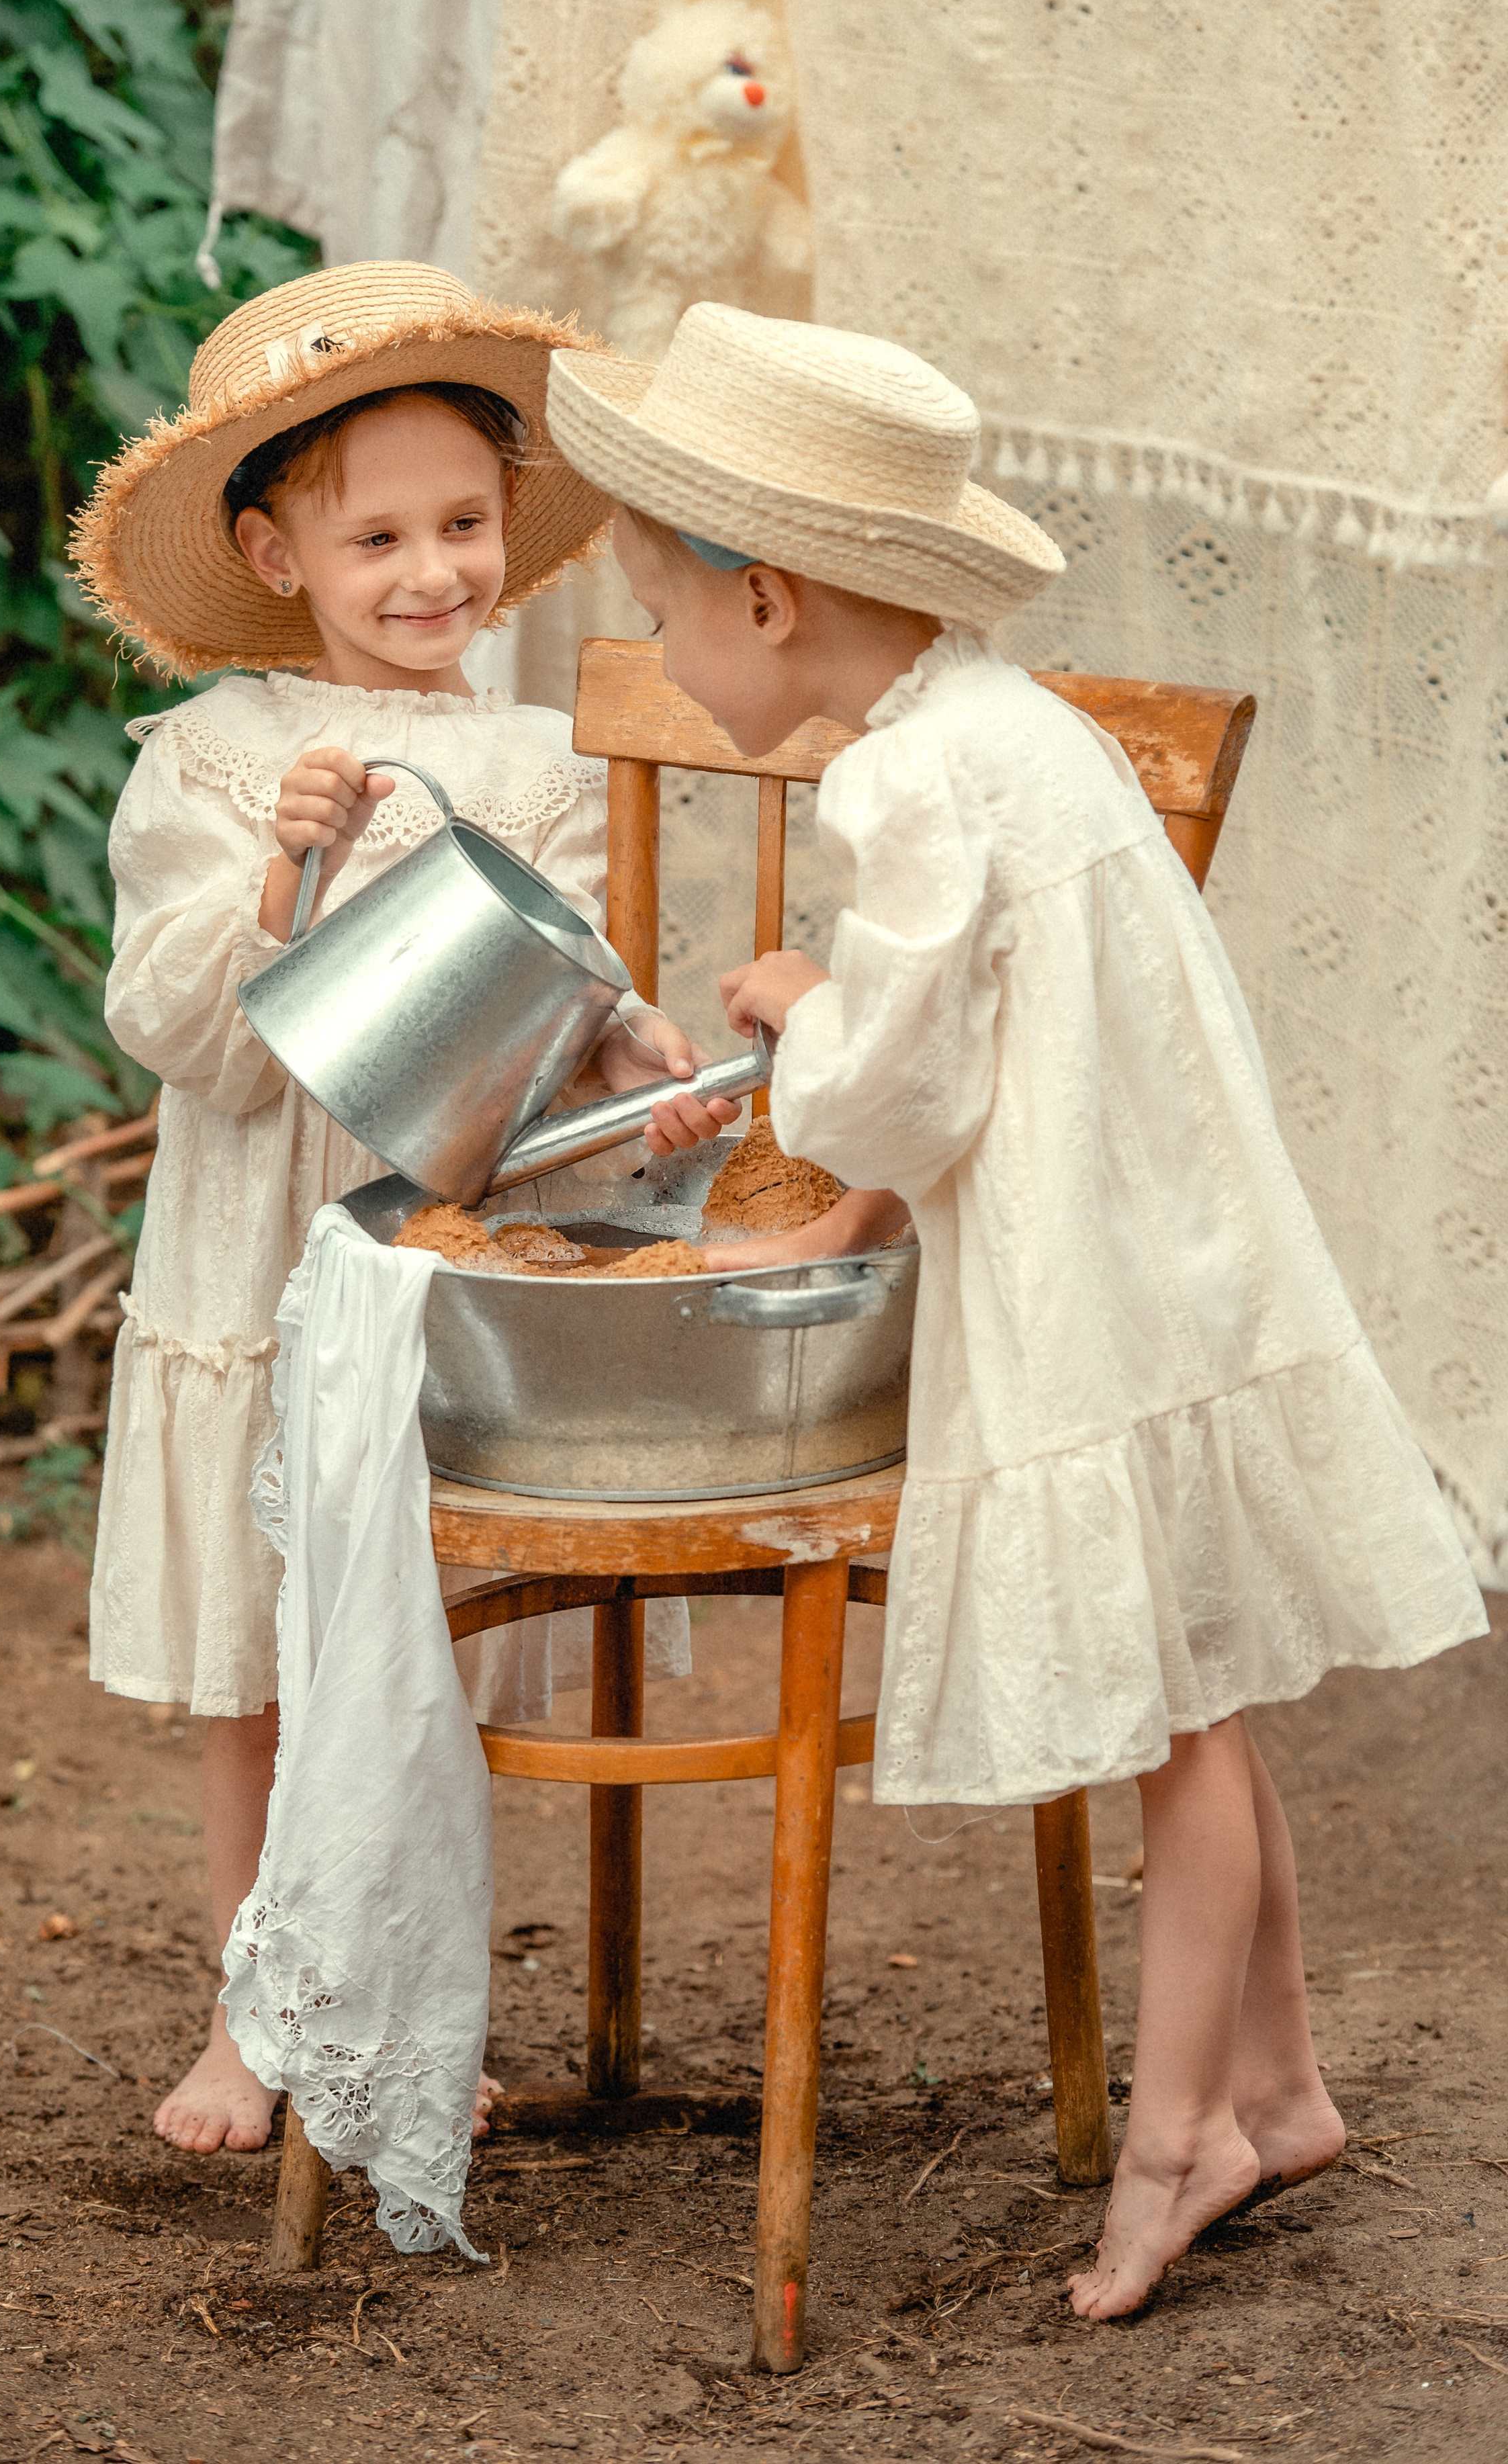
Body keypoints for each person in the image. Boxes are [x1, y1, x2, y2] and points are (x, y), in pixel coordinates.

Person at [545, 302, 1488, 2318]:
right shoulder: (1011, 726)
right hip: (1174, 1251)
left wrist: (806, 1009)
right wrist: (854, 1201)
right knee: (1207, 1693)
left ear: (769, 595)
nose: (664, 654)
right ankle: (1281, 2084)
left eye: (663, 611)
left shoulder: (905, 787)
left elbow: (908, 1073)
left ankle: (1184, 2137)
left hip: (1100, 1297)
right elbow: (1004, 1045)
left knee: (1175, 1724)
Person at [70, 264, 734, 2158]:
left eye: (462, 524)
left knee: (410, 1647)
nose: (430, 572)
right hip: (262, 1237)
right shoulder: (215, 757)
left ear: (507, 522)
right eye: (377, 539)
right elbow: (187, 1038)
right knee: (263, 1658)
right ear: (274, 553)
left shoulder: (537, 764)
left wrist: (625, 1042)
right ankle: (259, 2014)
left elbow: (552, 1006)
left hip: (432, 1242)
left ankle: (402, 1995)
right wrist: (282, 878)